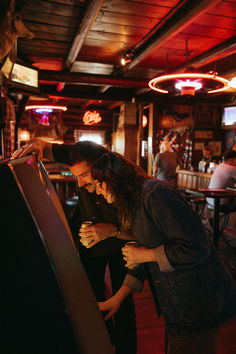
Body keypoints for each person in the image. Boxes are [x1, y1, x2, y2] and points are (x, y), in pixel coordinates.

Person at [89, 151, 236, 354]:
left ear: (113, 177)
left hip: (199, 303)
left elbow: (196, 247)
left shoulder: (153, 193)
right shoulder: (134, 201)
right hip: (179, 304)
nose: (97, 191)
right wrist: (118, 298)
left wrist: (146, 255)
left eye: (98, 183)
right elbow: (145, 253)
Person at [12, 139, 137, 354]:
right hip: (90, 242)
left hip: (122, 244)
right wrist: (36, 146)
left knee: (122, 303)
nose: (79, 185)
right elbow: (44, 145)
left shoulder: (127, 182)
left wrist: (112, 229)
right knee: (91, 298)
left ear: (104, 168)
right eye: (75, 176)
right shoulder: (80, 153)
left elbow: (145, 234)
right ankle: (101, 344)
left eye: (84, 176)